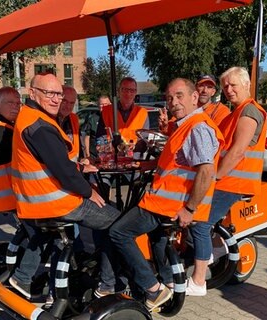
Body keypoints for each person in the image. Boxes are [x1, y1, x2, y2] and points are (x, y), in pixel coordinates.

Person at [109, 78, 224, 311]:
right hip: (163, 202)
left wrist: (190, 209)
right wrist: (143, 166)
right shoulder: (185, 124)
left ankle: (153, 289)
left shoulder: (198, 127)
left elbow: (206, 170)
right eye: (170, 97)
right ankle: (169, 282)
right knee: (157, 238)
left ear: (194, 98)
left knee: (117, 233)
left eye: (180, 96)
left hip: (168, 205)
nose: (174, 102)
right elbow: (175, 164)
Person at [8, 73, 121, 299]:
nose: (56, 99)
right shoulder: (39, 125)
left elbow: (51, 163)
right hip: (56, 201)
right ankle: (108, 286)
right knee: (118, 223)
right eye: (49, 93)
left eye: (58, 93)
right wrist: (89, 192)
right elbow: (64, 173)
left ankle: (23, 278)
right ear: (32, 93)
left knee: (61, 238)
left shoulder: (29, 116)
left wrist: (78, 169)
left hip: (34, 202)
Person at [186, 67, 267, 296]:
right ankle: (211, 251)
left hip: (233, 182)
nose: (229, 89)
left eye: (233, 85)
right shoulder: (236, 112)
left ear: (246, 84)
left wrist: (215, 175)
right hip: (227, 181)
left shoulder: (250, 111)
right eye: (226, 86)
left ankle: (199, 280)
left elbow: (238, 150)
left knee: (200, 222)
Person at [158, 74, 230, 135]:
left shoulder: (222, 111)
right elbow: (171, 129)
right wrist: (165, 126)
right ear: (195, 89)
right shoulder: (186, 108)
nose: (204, 90)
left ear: (213, 92)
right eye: (201, 86)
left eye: (209, 87)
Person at [96, 77, 150, 143]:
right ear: (118, 91)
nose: (128, 94)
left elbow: (144, 139)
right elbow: (100, 137)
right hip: (112, 152)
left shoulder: (142, 113)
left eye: (132, 90)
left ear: (135, 93)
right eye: (125, 89)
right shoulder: (106, 111)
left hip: (134, 152)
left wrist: (132, 147)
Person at [59, 85, 81, 162]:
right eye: (64, 101)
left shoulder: (74, 118)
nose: (68, 106)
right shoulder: (48, 119)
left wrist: (82, 159)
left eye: (72, 103)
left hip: (73, 167)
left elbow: (78, 145)